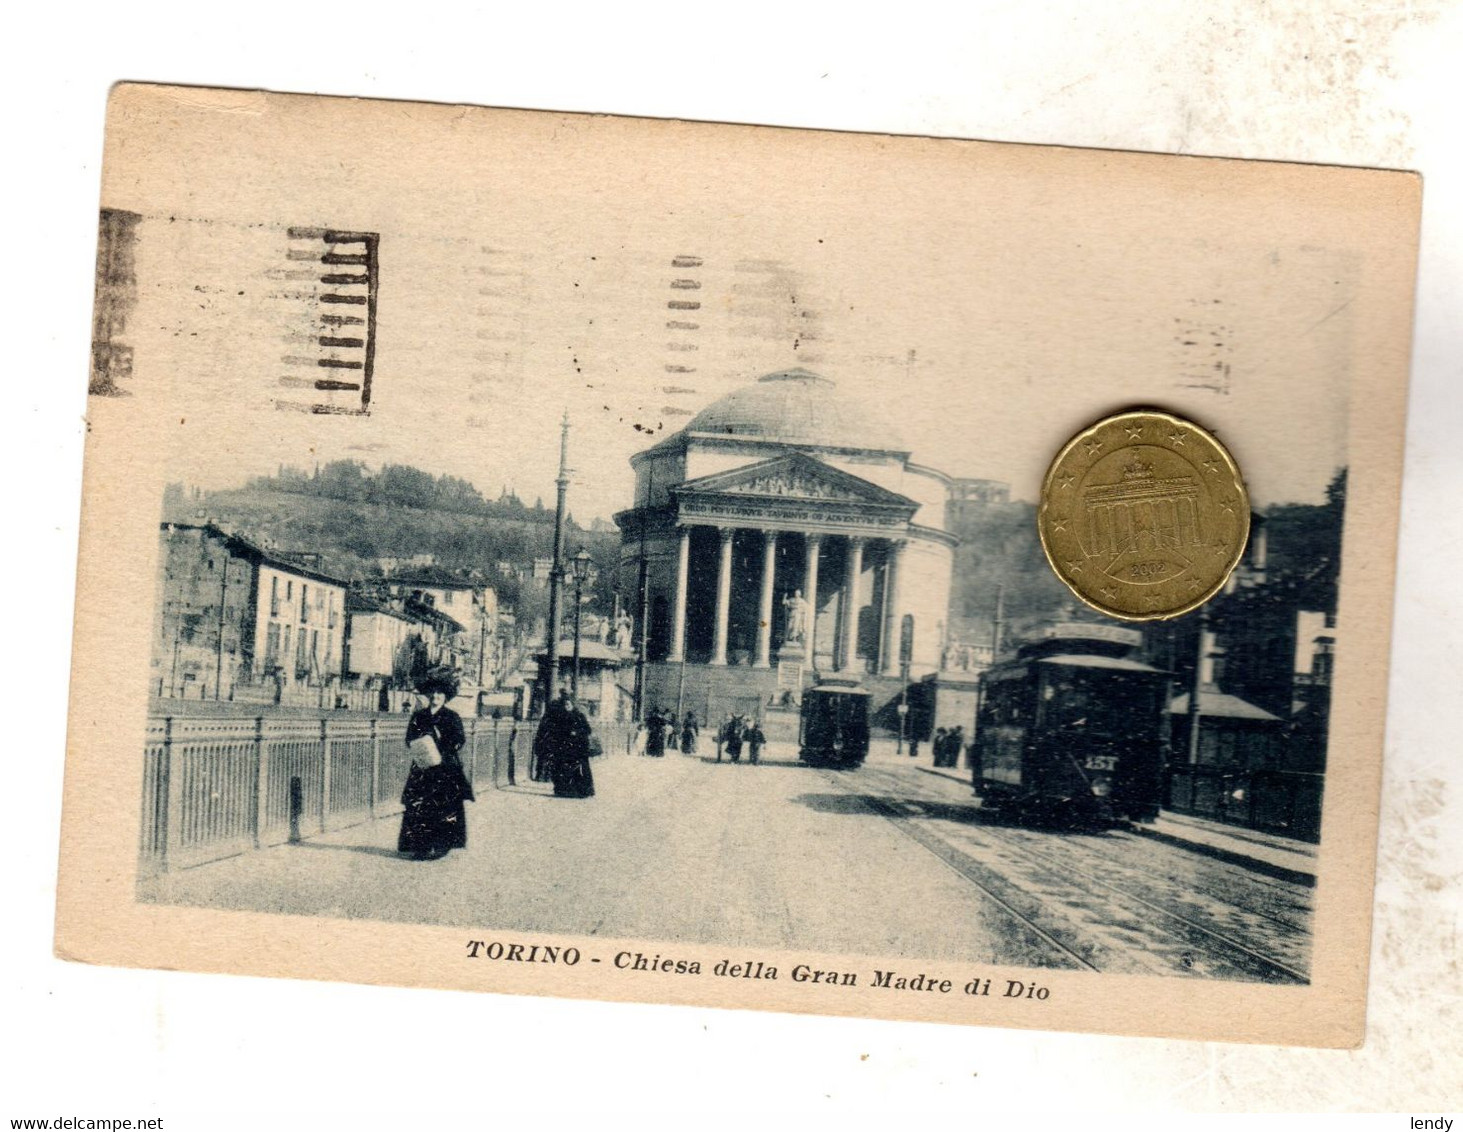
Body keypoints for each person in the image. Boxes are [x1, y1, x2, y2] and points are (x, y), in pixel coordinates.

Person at [398, 674, 474, 861]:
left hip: (445, 768)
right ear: (428, 694)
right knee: (419, 806)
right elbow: (409, 738)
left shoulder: (451, 716)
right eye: (433, 692)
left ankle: (442, 845)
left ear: (445, 697)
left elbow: (459, 740)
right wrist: (420, 744)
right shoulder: (419, 716)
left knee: (444, 806)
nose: (435, 696)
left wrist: (442, 746)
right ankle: (420, 846)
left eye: (440, 693)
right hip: (423, 765)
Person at [535, 690, 595, 798]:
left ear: (572, 705)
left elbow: (587, 730)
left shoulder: (579, 716)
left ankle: (582, 791)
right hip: (565, 748)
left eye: (568, 704)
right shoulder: (561, 717)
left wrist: (576, 732)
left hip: (578, 748)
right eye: (565, 704)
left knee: (579, 770)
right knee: (564, 769)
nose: (566, 706)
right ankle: (565, 791)